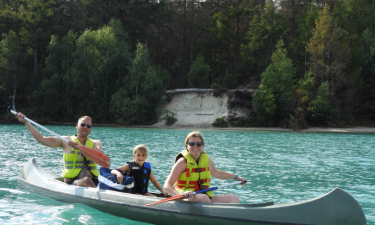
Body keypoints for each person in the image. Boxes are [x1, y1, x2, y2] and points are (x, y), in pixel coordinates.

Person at [15, 112, 103, 188]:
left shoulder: (96, 143)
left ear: (90, 128)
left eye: (88, 126)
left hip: (94, 180)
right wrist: (26, 122)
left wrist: (81, 148)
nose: (85, 127)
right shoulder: (65, 141)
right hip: (72, 182)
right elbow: (41, 139)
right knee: (86, 180)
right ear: (77, 126)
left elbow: (100, 156)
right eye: (83, 124)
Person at [163, 131, 246, 203]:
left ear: (202, 146)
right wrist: (181, 195)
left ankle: (227, 218)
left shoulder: (207, 160)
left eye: (198, 144)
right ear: (187, 146)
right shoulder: (182, 162)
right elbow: (167, 186)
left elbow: (217, 173)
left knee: (234, 198)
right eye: (192, 144)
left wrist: (236, 177)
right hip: (186, 198)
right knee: (204, 197)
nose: (195, 146)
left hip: (204, 197)